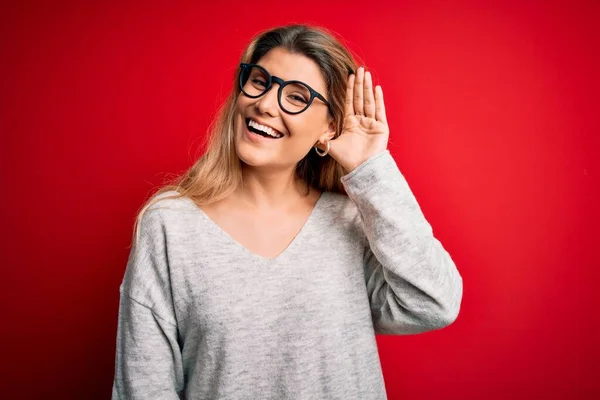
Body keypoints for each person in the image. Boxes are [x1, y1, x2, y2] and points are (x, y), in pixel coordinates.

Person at [111, 24, 463, 400]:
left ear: (330, 127)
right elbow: (144, 387)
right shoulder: (170, 226)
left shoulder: (351, 222)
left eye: (297, 97)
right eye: (260, 81)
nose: (264, 104)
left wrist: (371, 168)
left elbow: (433, 303)